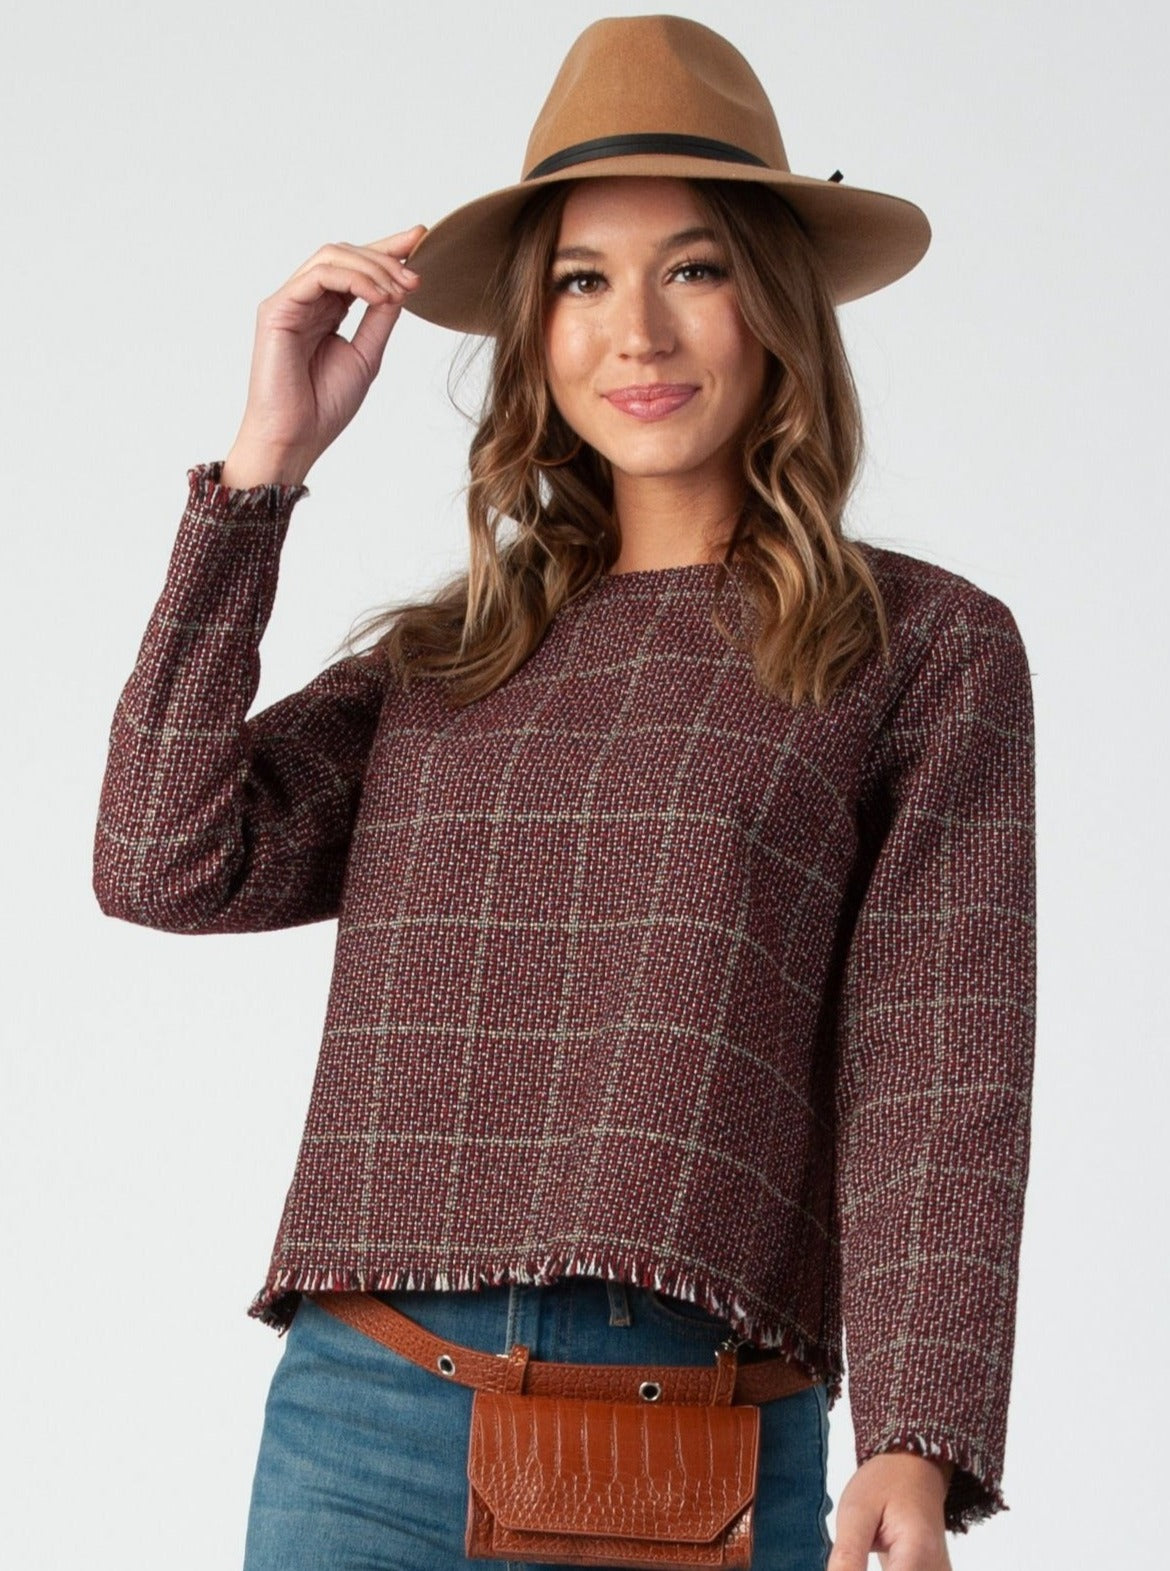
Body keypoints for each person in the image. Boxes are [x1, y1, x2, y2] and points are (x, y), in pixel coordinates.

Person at [91, 15, 1036, 1571]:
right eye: (582, 282)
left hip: (691, 1432)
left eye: (695, 269)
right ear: (534, 331)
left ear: (776, 305)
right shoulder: (447, 659)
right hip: (359, 1419)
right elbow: (161, 860)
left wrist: (917, 1429)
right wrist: (261, 471)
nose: (636, 334)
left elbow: (941, 1065)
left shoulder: (920, 648)